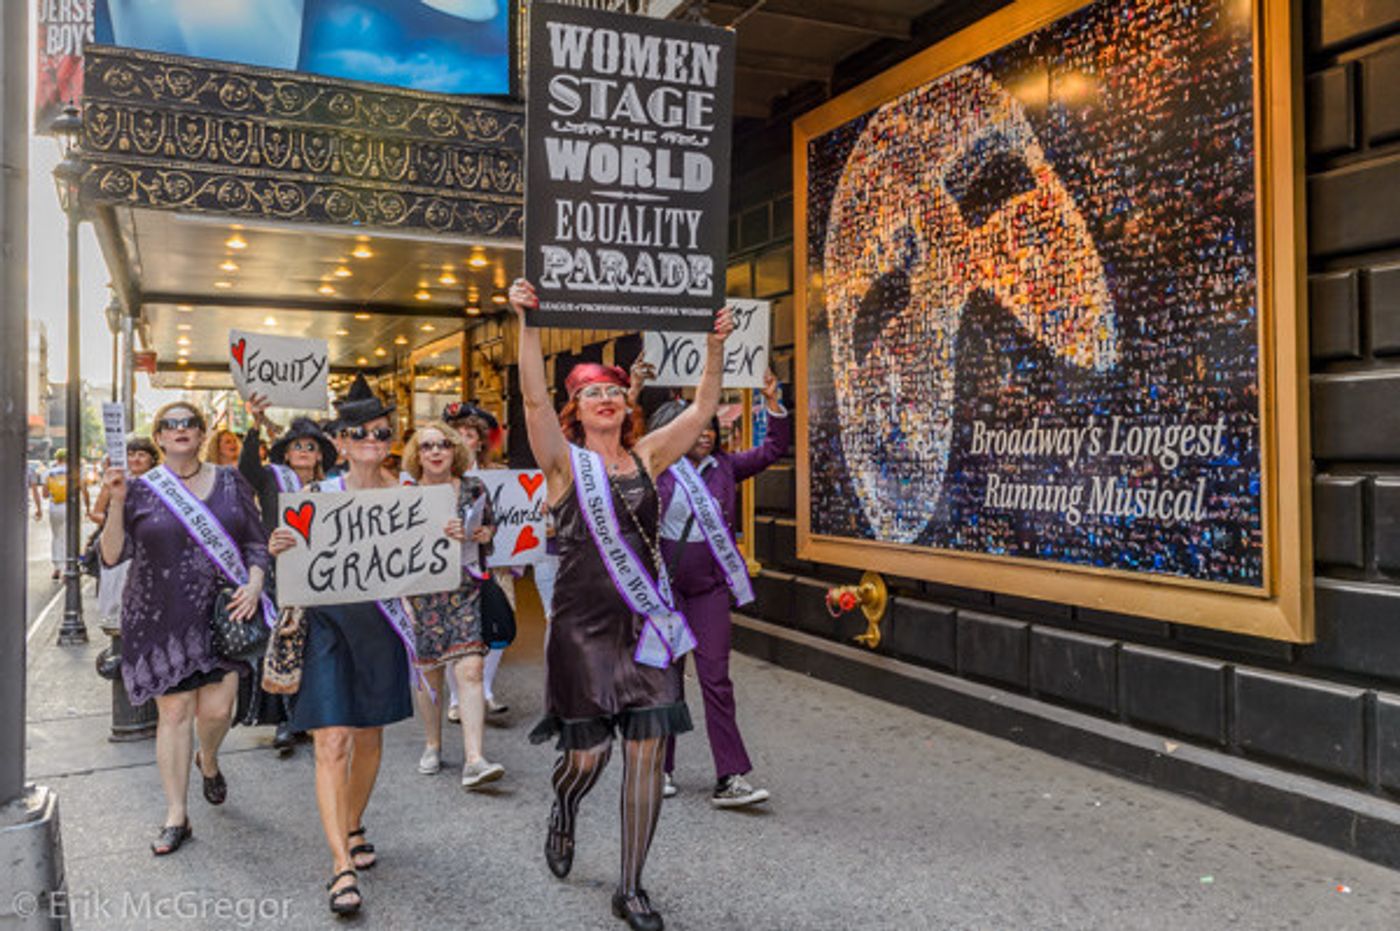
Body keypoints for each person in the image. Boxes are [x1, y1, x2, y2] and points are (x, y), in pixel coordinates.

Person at [512, 278, 734, 931]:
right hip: (582, 629)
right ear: (574, 408)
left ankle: (630, 886)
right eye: (591, 393)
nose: (605, 399)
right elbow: (530, 395)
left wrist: (714, 345)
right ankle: (564, 802)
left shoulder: (647, 457)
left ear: (625, 402)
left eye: (613, 390)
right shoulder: (562, 464)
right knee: (589, 758)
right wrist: (528, 323)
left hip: (647, 626)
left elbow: (701, 408)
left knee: (646, 746)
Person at [267, 374, 462, 916]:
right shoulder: (315, 497)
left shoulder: (411, 497)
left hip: (382, 628)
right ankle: (340, 866)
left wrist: (448, 540)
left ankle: (352, 823)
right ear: (342, 442)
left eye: (380, 431)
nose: (372, 440)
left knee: (369, 737)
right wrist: (281, 544)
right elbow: (289, 560)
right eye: (359, 433)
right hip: (328, 628)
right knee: (332, 740)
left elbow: (432, 564)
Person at [98, 402, 269, 857]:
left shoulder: (231, 482)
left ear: (201, 431)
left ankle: (208, 758)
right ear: (158, 436)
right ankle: (177, 814)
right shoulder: (137, 490)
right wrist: (115, 502)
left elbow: (255, 542)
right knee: (173, 715)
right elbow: (112, 555)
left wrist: (254, 583)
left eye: (188, 423)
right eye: (169, 425)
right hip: (158, 618)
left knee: (216, 712)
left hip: (221, 615)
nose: (180, 430)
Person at [646, 368, 790, 807]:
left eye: (709, 426)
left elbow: (773, 449)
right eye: (695, 428)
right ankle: (660, 768)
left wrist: (773, 402)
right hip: (667, 592)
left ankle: (730, 776)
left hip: (708, 590)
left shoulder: (725, 467)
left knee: (716, 679)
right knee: (666, 682)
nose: (705, 434)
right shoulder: (653, 471)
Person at [402, 421, 504, 788]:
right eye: (427, 446)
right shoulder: (406, 494)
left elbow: (490, 531)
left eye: (443, 444)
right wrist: (402, 600)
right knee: (429, 675)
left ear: (454, 449)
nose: (435, 451)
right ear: (417, 454)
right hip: (421, 594)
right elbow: (393, 555)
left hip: (466, 589)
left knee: (471, 670)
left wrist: (482, 534)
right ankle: (433, 744)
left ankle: (474, 759)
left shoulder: (475, 487)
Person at [239, 393, 337, 755]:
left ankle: (309, 713)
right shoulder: (270, 479)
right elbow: (247, 468)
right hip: (281, 571)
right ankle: (284, 719)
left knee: (315, 643)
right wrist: (254, 424)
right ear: (286, 452)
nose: (304, 452)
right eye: (298, 446)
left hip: (321, 573)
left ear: (319, 455)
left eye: (311, 447)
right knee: (282, 643)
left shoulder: (332, 488)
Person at [443, 401, 512, 718]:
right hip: (450, 565)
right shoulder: (436, 475)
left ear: (480, 440)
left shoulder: (501, 475)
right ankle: (458, 699)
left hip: (493, 564)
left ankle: (484, 689)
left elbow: (517, 515)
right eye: (454, 433)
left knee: (499, 625)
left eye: (468, 434)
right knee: (453, 632)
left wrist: (537, 514)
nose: (461, 439)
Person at [91, 435, 160, 629]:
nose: (135, 459)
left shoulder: (162, 484)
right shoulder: (115, 482)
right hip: (120, 549)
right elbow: (96, 512)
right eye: (130, 455)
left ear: (152, 459)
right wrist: (117, 523)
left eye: (141, 455)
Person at [43, 449, 89, 580]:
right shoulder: (76, 471)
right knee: (72, 535)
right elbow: (84, 490)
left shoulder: (49, 472)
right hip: (72, 506)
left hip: (55, 507)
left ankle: (57, 567)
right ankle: (69, 566)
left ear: (57, 459)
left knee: (57, 535)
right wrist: (88, 506)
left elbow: (45, 494)